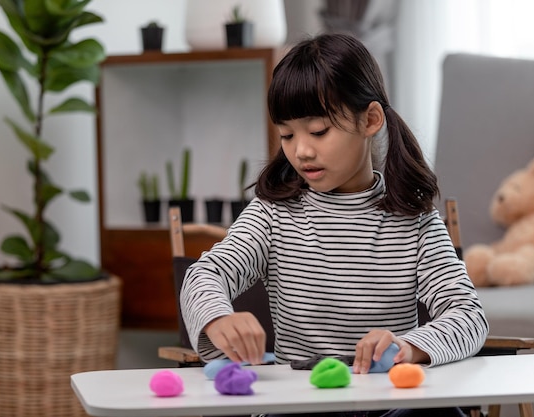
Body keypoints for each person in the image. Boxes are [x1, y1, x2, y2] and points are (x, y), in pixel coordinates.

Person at [180, 33, 489, 417]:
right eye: (287, 135)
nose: (301, 150)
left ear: (370, 120)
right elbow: (205, 274)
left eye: (319, 131)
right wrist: (217, 316)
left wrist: (408, 348)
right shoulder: (273, 214)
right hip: (300, 406)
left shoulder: (415, 220)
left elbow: (468, 316)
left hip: (388, 405)